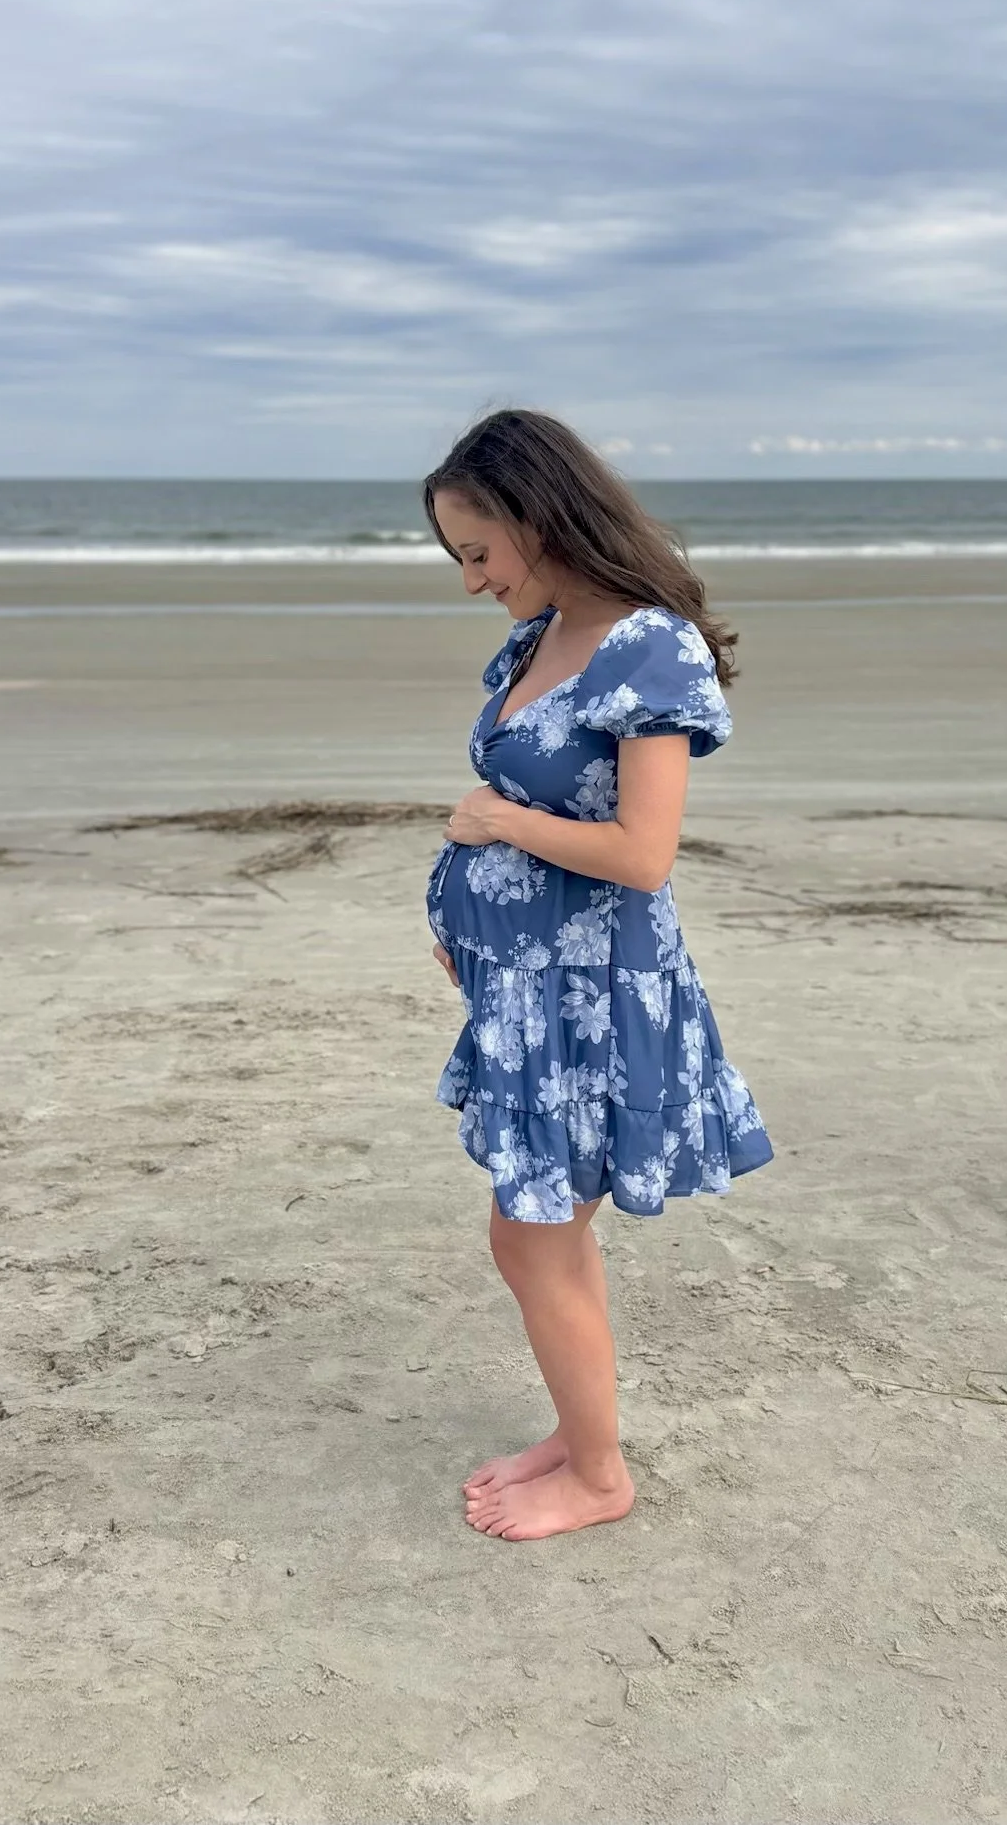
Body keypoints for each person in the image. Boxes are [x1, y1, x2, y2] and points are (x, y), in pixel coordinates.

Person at [422, 408, 775, 1541]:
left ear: (539, 515)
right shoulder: (540, 637)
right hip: (524, 988)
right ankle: (581, 1440)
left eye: (477, 551)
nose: (471, 580)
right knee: (535, 1229)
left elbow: (640, 852)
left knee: (531, 1230)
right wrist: (472, 925)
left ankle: (600, 1470)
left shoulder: (646, 647)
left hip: (594, 993)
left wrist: (491, 822)